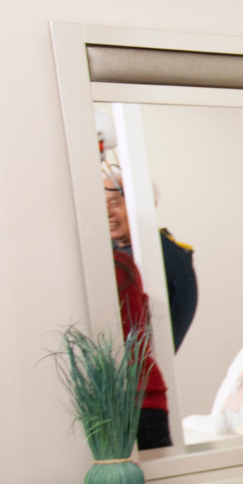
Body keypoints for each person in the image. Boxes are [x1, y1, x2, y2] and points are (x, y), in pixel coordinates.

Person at [103, 165, 195, 451]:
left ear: (143, 204)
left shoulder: (168, 256)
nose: (107, 213)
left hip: (143, 395)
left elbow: (170, 333)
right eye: (101, 204)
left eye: (115, 203)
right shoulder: (112, 254)